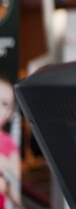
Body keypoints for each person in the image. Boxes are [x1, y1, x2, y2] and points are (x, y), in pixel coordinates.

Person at [0, 76, 20, 209]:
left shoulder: (8, 145)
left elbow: (18, 197)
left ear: (9, 114)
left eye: (4, 104)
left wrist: (8, 176)